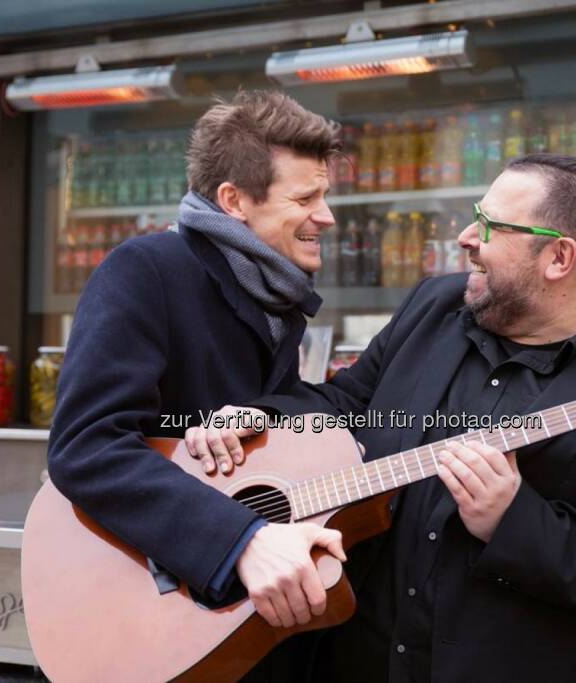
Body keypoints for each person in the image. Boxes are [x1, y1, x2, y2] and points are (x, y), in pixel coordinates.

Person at [186, 154, 576, 682]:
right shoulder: (435, 307)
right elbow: (351, 406)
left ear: (559, 258)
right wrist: (265, 419)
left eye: (489, 225)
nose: (466, 236)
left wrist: (513, 521)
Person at [47, 90, 348, 680]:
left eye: (326, 195)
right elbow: (86, 447)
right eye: (306, 198)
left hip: (238, 625)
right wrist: (242, 540)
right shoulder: (145, 269)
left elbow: (250, 411)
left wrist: (268, 414)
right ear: (234, 200)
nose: (327, 216)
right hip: (150, 614)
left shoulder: (271, 291)